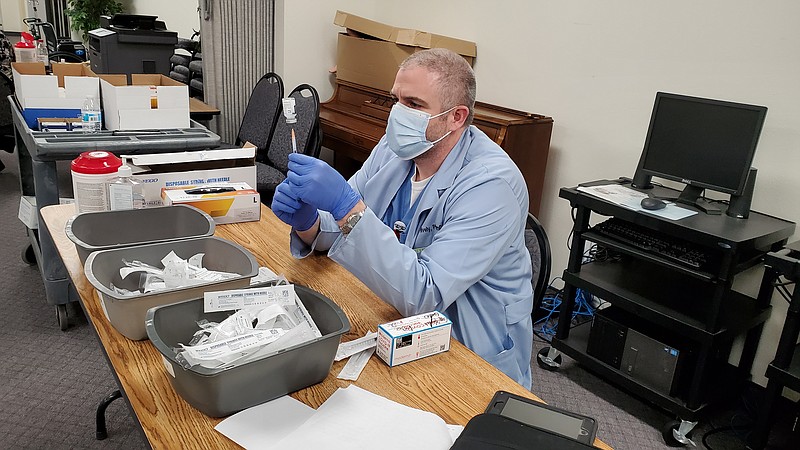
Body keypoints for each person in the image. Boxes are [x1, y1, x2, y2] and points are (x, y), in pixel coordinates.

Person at [272, 48, 534, 388]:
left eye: (414, 104)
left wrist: (346, 207)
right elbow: (343, 228)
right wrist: (308, 221)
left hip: (468, 355)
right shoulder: (395, 150)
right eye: (394, 99)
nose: (397, 113)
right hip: (395, 324)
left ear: (456, 117)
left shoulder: (491, 185)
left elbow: (427, 295)